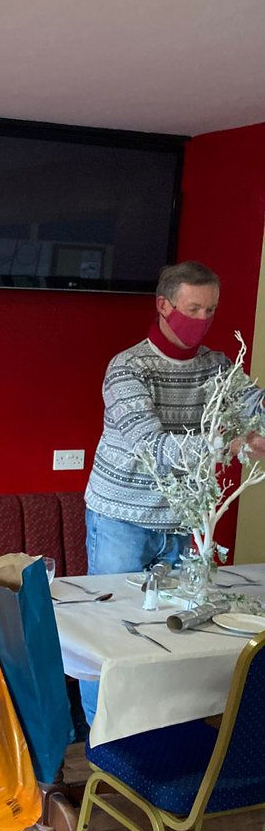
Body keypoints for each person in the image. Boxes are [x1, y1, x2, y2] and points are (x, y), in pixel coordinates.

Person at [81, 259, 265, 723]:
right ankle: (101, 736)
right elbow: (152, 447)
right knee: (111, 632)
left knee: (178, 631)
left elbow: (253, 406)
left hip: (185, 521)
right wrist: (227, 443)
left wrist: (258, 428)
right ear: (164, 306)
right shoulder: (127, 368)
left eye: (211, 310)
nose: (202, 319)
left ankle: (160, 731)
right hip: (122, 516)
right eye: (193, 309)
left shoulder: (217, 367)